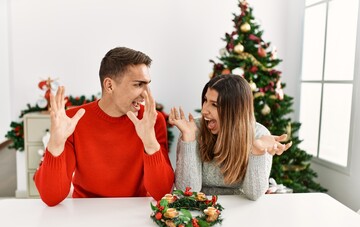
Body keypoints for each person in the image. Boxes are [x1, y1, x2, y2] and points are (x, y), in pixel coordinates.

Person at [34, 47, 175, 206]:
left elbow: (162, 192)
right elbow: (51, 197)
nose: (146, 94)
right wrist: (55, 144)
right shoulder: (74, 120)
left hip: (135, 213)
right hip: (87, 212)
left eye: (147, 85)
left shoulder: (151, 120)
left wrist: (150, 142)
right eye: (138, 85)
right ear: (109, 86)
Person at [169, 74, 292, 200]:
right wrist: (189, 139)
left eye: (214, 104)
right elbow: (187, 191)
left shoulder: (260, 135)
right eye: (205, 100)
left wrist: (257, 151)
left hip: (241, 207)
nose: (204, 110)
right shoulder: (193, 129)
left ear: (235, 110)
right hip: (202, 208)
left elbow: (254, 194)